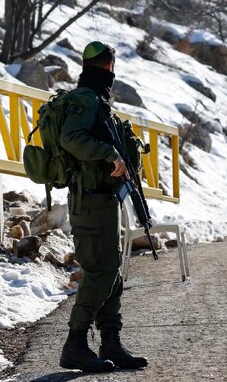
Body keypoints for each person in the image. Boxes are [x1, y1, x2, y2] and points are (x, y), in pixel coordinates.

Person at [58, 41, 148, 372]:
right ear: (109, 65)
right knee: (102, 271)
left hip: (102, 197)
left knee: (112, 271)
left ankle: (112, 342)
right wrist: (110, 154)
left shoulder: (95, 98)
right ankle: (75, 344)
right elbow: (71, 138)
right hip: (89, 199)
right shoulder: (85, 99)